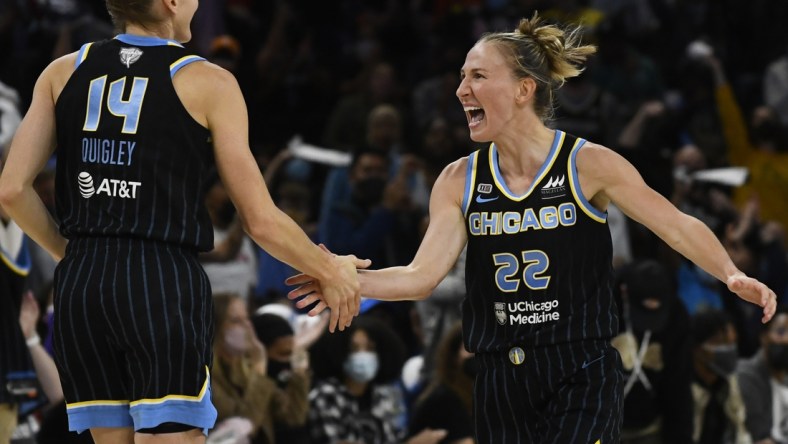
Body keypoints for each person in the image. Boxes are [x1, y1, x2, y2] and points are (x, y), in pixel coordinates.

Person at [288, 12, 778, 443]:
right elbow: (421, 275)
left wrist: (729, 272)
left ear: (524, 89)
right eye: (461, 77)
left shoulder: (588, 164)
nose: (461, 90)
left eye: (478, 76)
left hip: (580, 367)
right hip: (500, 375)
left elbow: (675, 225)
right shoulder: (458, 180)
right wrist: (346, 277)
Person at [0, 0, 368, 442]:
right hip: (159, 280)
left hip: (81, 285)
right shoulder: (208, 81)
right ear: (172, 2)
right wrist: (330, 269)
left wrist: (71, 254)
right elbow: (260, 220)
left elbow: (11, 190)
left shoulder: (61, 71)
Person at [210, 293, 309, 444]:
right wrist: (260, 368)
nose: (247, 326)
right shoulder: (207, 379)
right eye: (236, 321)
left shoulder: (246, 369)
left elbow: (293, 416)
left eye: (247, 318)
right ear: (216, 328)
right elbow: (243, 428)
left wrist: (299, 373)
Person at [689, 309, 751, 444]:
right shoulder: (681, 388)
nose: (729, 349)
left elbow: (741, 431)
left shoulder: (729, 383)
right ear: (697, 348)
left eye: (732, 343)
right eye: (721, 343)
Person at [737, 305, 788, 443]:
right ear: (764, 337)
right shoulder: (745, 375)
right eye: (781, 332)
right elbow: (760, 435)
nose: (786, 340)